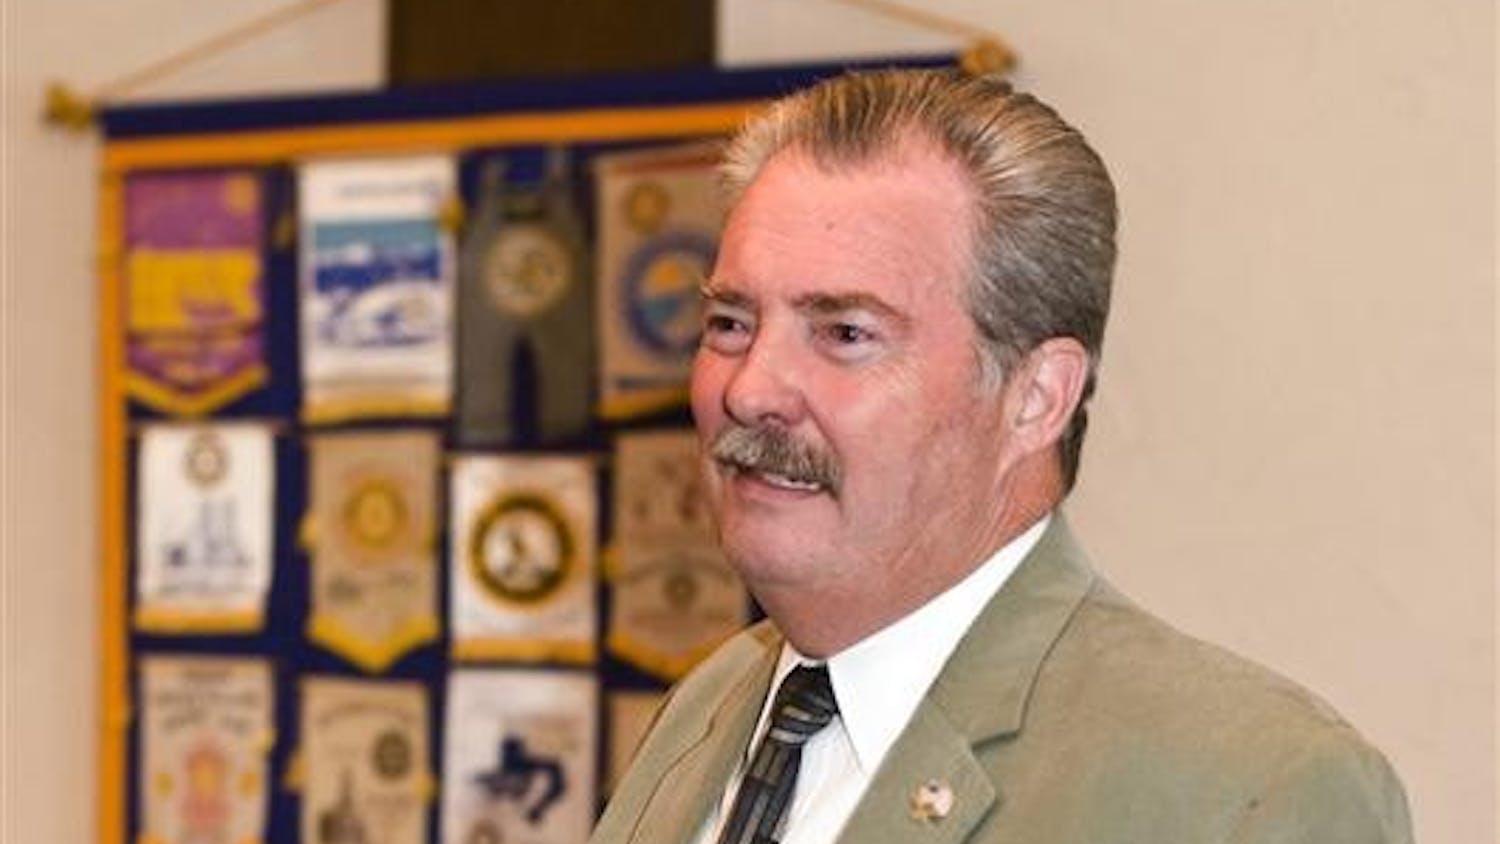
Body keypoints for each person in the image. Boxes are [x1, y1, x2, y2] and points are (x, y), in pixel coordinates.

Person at [590, 67, 1412, 844]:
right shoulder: (710, 707)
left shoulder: (1245, 789)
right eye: (731, 324)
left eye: (844, 334)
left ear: (1037, 397)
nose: (751, 389)